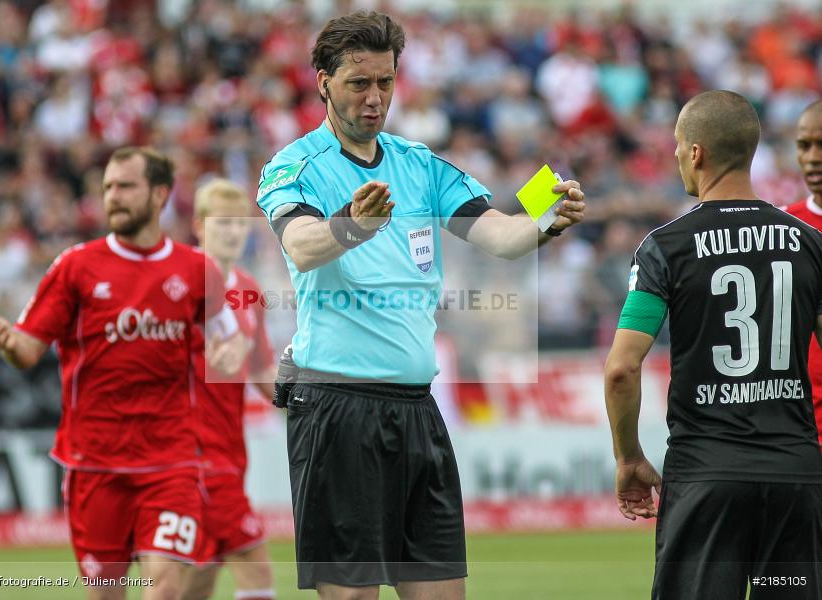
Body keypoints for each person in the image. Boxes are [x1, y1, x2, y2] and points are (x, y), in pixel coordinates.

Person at [255, 11, 586, 599]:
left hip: (416, 409)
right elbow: (302, 247)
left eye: (385, 82)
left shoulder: (421, 166)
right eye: (360, 83)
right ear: (323, 82)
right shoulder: (295, 165)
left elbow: (501, 236)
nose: (375, 97)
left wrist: (545, 215)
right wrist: (352, 227)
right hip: (336, 408)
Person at [0, 147, 244, 600]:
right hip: (94, 463)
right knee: (106, 594)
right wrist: (9, 344)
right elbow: (28, 348)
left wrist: (232, 353)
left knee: (165, 586)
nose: (113, 197)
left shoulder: (197, 270)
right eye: (107, 188)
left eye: (125, 186)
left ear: (160, 194)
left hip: (171, 461)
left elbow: (231, 337)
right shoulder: (76, 267)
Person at [604, 90, 822, 600]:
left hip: (707, 479)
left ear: (696, 153)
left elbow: (621, 369)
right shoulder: (809, 243)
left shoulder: (666, 248)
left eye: (679, 147)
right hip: (794, 479)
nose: (677, 156)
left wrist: (628, 457)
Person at [181, 177, 278, 600]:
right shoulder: (181, 282)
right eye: (223, 223)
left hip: (230, 448)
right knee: (256, 570)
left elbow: (262, 371)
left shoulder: (249, 290)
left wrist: (311, 400)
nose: (234, 232)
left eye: (241, 223)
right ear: (199, 226)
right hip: (192, 450)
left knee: (199, 573)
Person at [784, 99, 822, 449]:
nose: (812, 157)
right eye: (804, 145)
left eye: (821, 145)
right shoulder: (782, 229)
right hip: (798, 432)